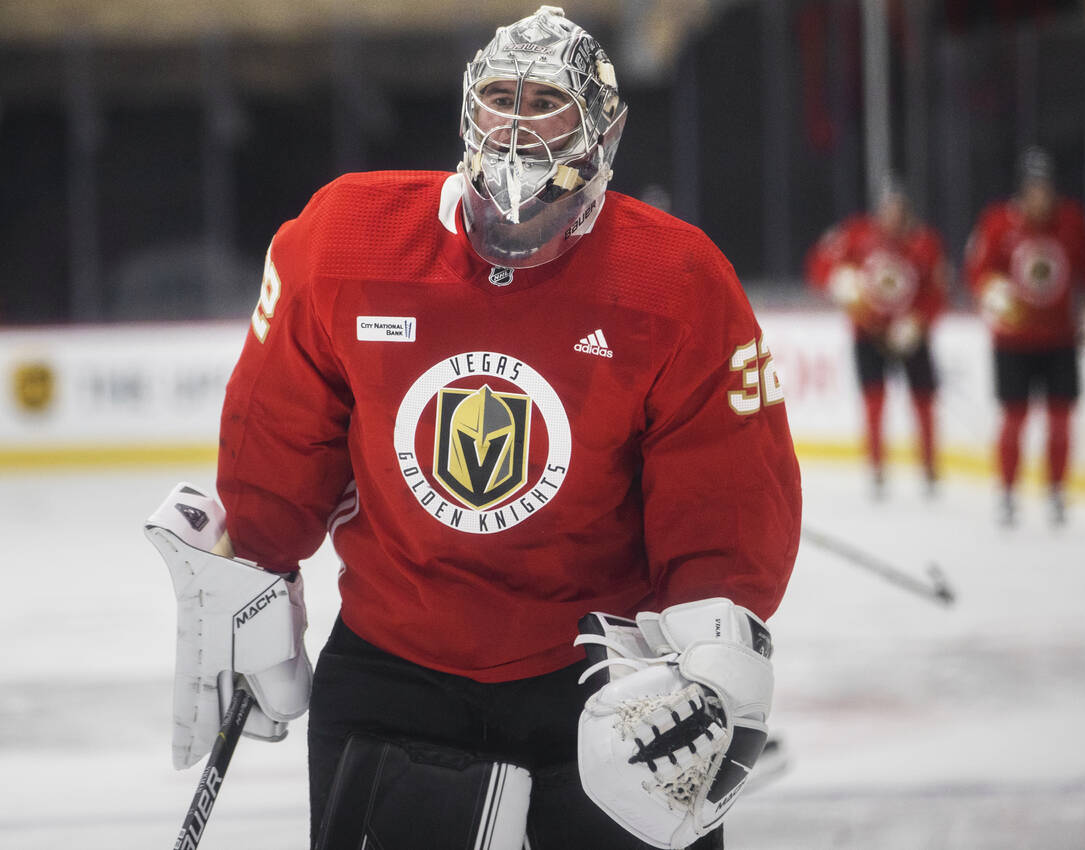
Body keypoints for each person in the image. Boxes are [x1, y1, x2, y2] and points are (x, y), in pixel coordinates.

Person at [146, 7, 801, 849]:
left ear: (604, 137)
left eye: (550, 106)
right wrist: (253, 582)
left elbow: (725, 499)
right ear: (466, 113)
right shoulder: (347, 241)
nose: (520, 126)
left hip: (604, 681)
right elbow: (279, 438)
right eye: (500, 97)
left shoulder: (674, 282)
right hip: (395, 674)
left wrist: (716, 664)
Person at [965, 146, 1085, 526]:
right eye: (1033, 188)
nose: (1040, 196)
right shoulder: (999, 223)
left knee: (1061, 419)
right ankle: (1008, 491)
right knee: (1014, 418)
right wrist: (992, 293)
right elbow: (977, 271)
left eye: (1045, 188)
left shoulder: (1071, 222)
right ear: (1022, 189)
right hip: (1013, 342)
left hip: (1060, 339)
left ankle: (1057, 490)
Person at [805, 175, 948, 497]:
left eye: (897, 208)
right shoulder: (856, 235)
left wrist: (919, 322)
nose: (892, 215)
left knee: (923, 400)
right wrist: (837, 282)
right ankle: (876, 467)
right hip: (867, 333)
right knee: (874, 400)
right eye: (887, 207)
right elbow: (819, 263)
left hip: (910, 335)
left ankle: (928, 466)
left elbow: (938, 290)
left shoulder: (925, 242)